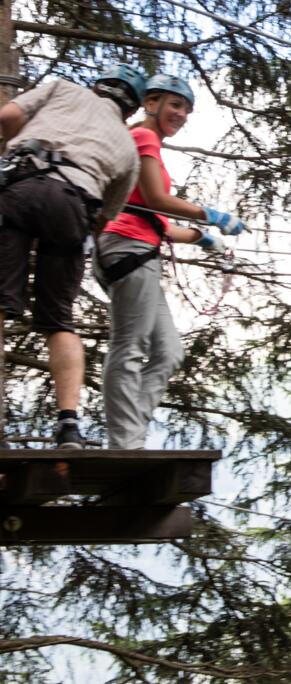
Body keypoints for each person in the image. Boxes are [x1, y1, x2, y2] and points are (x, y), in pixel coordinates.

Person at [95, 74, 246, 449]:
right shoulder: (143, 137)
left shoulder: (148, 145)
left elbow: (156, 218)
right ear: (151, 104)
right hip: (127, 247)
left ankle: (131, 432)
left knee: (168, 352)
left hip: (136, 246)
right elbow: (157, 199)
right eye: (175, 105)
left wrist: (200, 238)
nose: (182, 114)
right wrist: (210, 215)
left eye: (186, 109)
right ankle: (124, 442)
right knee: (130, 346)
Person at [0, 65, 145, 447]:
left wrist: (15, 149)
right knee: (58, 322)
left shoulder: (64, 89)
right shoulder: (128, 149)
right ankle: (69, 425)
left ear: (98, 86)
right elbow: (105, 217)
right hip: (74, 208)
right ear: (130, 109)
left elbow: (8, 116)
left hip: (21, 184)